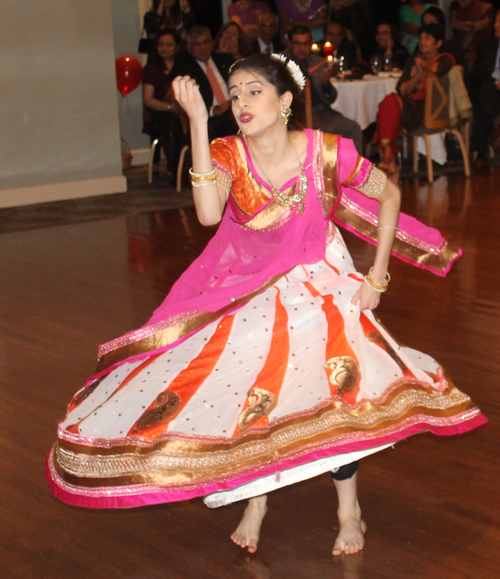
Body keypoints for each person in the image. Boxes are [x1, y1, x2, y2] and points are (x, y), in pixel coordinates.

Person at [46, 52, 485, 557]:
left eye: (254, 90)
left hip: (320, 278)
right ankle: (256, 498)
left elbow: (388, 197)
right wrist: (194, 121)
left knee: (337, 392)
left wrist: (377, 276)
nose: (242, 102)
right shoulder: (229, 154)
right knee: (251, 396)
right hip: (247, 287)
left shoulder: (327, 152)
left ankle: (349, 509)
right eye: (233, 95)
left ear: (285, 100)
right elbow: (210, 217)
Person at [374, 24, 455, 174]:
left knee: (389, 105)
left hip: (431, 110)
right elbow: (402, 89)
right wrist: (418, 74)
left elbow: (440, 69)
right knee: (390, 102)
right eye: (421, 38)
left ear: (438, 43)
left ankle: (388, 158)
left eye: (428, 39)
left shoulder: (445, 59)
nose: (422, 42)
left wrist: (423, 66)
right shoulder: (413, 60)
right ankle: (388, 157)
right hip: (411, 108)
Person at [285, 25, 363, 152]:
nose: (302, 48)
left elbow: (332, 98)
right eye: (298, 44)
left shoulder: (317, 60)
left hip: (323, 111)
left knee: (353, 128)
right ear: (290, 44)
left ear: (311, 43)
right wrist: (307, 73)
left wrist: (326, 83)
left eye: (306, 43)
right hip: (298, 114)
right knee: (329, 130)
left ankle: (353, 170)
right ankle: (326, 170)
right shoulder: (282, 61)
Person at [172, 26, 237, 139]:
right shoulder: (183, 68)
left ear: (212, 44)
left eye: (206, 42)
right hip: (210, 118)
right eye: (197, 44)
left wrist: (232, 103)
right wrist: (212, 111)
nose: (202, 47)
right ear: (189, 48)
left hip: (234, 110)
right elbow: (182, 103)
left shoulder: (226, 60)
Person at [142, 29, 186, 178]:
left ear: (177, 47)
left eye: (169, 44)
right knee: (173, 121)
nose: (164, 48)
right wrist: (171, 107)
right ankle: (175, 169)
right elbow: (148, 100)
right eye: (161, 44)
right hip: (160, 113)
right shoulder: (151, 68)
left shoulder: (184, 65)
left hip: (182, 110)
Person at [469, 9, 500, 171]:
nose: (495, 25)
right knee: (484, 95)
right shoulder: (486, 46)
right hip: (491, 91)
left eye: (499, 22)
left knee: (482, 107)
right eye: (495, 21)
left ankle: (482, 156)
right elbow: (478, 74)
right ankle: (495, 129)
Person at [450, 0, 493, 70]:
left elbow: (482, 24)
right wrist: (472, 25)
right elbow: (453, 24)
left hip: (478, 51)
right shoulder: (455, 5)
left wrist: (469, 24)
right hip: (459, 50)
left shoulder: (483, 7)